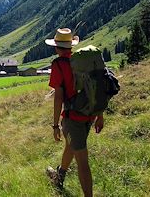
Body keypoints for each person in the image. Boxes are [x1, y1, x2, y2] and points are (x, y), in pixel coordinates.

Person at [45, 28, 104, 197]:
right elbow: (96, 88)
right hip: (89, 114)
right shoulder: (82, 62)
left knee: (82, 161)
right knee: (71, 145)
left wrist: (55, 125)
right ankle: (59, 176)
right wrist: (99, 115)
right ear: (71, 46)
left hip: (73, 118)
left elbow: (58, 98)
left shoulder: (58, 65)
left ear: (57, 47)